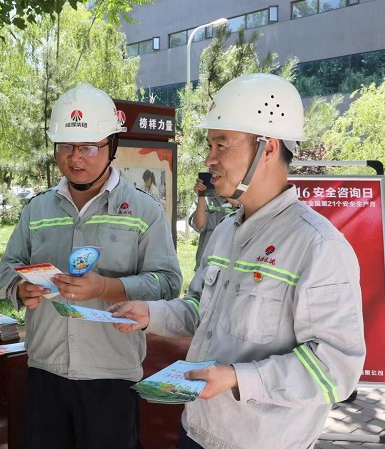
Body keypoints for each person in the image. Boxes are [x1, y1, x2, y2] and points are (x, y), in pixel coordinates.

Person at [109, 73, 366, 449]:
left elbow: (336, 369)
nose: (210, 159)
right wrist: (151, 313)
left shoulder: (318, 246)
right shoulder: (228, 230)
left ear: (268, 147)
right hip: (197, 427)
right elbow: (201, 308)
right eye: (210, 144)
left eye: (222, 144)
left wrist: (238, 378)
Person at [0, 82, 182, 449]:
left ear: (111, 145)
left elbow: (168, 282)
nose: (75, 158)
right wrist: (21, 288)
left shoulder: (144, 211)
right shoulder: (38, 209)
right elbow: (8, 268)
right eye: (65, 146)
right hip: (46, 372)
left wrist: (107, 288)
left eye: (88, 147)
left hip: (111, 377)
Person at [186, 185, 240, 271]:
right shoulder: (205, 198)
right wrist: (201, 197)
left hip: (232, 264)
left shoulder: (242, 196)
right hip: (207, 264)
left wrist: (236, 204)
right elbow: (199, 226)